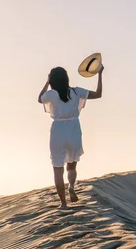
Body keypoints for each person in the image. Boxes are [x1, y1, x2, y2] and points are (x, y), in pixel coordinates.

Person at [37, 65, 104, 208]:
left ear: (52, 80)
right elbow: (98, 94)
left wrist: (47, 82)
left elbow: (39, 99)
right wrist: (99, 74)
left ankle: (63, 203)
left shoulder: (51, 94)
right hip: (74, 129)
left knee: (57, 168)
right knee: (72, 166)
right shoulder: (76, 91)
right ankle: (71, 186)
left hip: (58, 132)